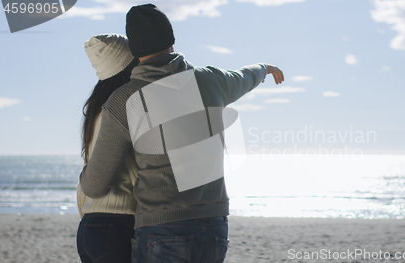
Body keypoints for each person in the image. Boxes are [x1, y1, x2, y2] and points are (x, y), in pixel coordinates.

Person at [79, 3, 284, 262]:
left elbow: (95, 186)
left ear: (134, 50)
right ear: (171, 39)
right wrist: (264, 67)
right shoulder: (212, 80)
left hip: (162, 228)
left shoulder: (124, 100)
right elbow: (244, 75)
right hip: (215, 226)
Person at [76, 33, 140, 263]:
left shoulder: (97, 109)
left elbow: (88, 175)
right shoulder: (126, 108)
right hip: (120, 227)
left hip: (91, 225)